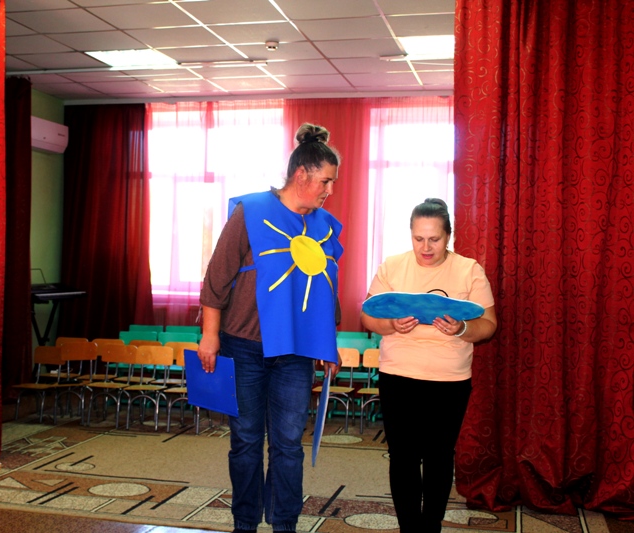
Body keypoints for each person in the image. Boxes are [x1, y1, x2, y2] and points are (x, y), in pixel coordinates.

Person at [198, 123, 344, 533]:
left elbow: (326, 290)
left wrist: (328, 344)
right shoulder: (251, 211)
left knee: (288, 445)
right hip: (244, 346)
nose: (329, 190)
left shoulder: (324, 226)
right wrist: (210, 335)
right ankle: (244, 523)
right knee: (245, 441)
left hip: (296, 352)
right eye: (325, 181)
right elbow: (217, 278)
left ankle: (284, 524)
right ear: (301, 175)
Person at [360, 198, 497, 533]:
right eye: (418, 238)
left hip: (449, 380)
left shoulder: (469, 270)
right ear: (410, 234)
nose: (425, 247)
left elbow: (489, 325)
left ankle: (430, 526)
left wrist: (461, 328)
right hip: (398, 376)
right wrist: (391, 325)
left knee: (439, 456)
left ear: (449, 236)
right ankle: (409, 528)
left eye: (434, 239)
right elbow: (368, 316)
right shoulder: (393, 266)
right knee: (403, 457)